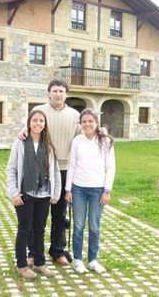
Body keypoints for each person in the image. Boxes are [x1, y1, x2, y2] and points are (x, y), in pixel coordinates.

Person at [20, 79, 82, 266]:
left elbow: (86, 134)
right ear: (48, 93)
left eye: (61, 91)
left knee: (59, 212)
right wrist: (22, 131)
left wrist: (101, 130)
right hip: (39, 169)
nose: (58, 94)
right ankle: (33, 252)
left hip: (63, 169)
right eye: (54, 91)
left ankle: (57, 250)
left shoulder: (74, 115)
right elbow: (29, 127)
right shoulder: (40, 111)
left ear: (66, 94)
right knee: (34, 214)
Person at [6, 110, 61, 279]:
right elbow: (12, 169)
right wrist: (14, 193)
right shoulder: (20, 144)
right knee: (24, 229)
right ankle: (22, 265)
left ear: (45, 124)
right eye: (35, 120)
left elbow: (55, 171)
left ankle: (39, 263)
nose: (38, 124)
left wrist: (55, 192)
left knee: (39, 229)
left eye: (41, 121)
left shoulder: (49, 145)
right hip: (25, 194)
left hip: (43, 194)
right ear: (29, 123)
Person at [65, 108, 116, 274]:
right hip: (78, 188)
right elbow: (72, 164)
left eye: (90, 121)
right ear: (81, 124)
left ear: (96, 123)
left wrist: (107, 190)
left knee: (94, 226)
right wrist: (68, 189)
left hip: (98, 189)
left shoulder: (105, 141)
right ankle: (78, 260)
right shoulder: (77, 141)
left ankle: (93, 260)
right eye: (84, 121)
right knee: (78, 226)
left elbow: (111, 167)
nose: (87, 124)